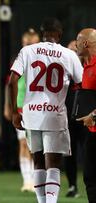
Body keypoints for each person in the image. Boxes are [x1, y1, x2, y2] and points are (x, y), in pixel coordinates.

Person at [9, 18, 83, 203]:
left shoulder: (27, 51)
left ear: (43, 33)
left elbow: (12, 81)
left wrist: (14, 112)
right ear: (59, 34)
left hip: (31, 114)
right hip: (54, 115)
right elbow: (83, 83)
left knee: (38, 164)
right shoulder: (68, 54)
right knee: (53, 165)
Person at [5, 28, 40, 192]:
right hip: (20, 106)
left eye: (32, 42)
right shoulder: (18, 60)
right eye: (26, 42)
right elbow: (10, 84)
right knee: (23, 144)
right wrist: (8, 106)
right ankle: (27, 180)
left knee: (35, 146)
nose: (29, 45)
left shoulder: (42, 60)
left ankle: (35, 179)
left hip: (36, 107)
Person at [63, 39, 87, 198]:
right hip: (67, 118)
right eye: (70, 50)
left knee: (89, 152)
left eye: (75, 49)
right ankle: (72, 185)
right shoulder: (63, 72)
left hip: (86, 118)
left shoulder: (89, 68)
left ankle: (90, 184)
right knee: (68, 153)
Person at [74, 28, 96, 203]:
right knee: (90, 177)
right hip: (92, 131)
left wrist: (94, 116)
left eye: (78, 41)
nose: (75, 44)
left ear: (86, 43)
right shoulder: (87, 65)